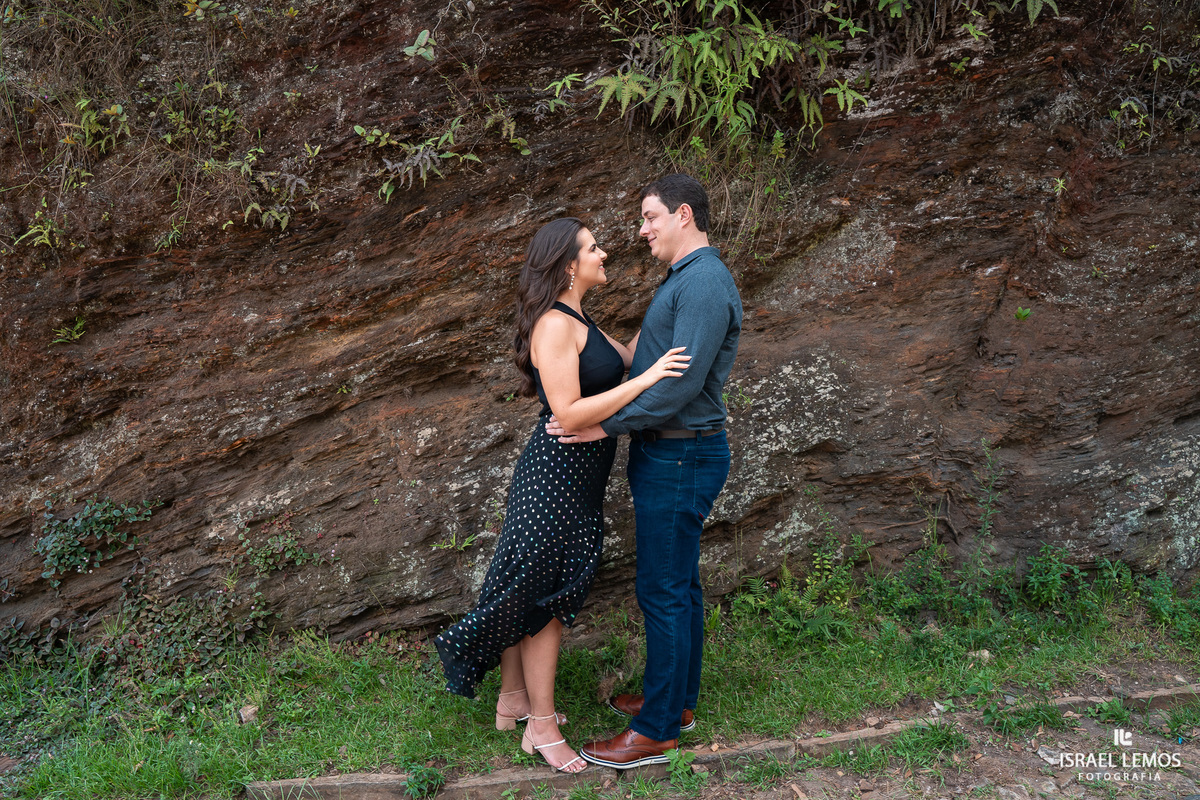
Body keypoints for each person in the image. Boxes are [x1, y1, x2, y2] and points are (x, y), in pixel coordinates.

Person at [434, 217, 691, 774]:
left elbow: (625, 358)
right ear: (569, 264)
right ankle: (541, 728)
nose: (605, 253)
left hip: (574, 480)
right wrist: (647, 383)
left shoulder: (578, 319)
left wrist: (669, 294)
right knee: (545, 602)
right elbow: (569, 412)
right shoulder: (553, 325)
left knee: (525, 585)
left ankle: (512, 702)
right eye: (594, 247)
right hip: (554, 478)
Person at [548, 174, 742, 769]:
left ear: (684, 215)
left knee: (662, 589)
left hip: (681, 452)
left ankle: (655, 730)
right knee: (677, 586)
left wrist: (604, 426)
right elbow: (650, 360)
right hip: (672, 451)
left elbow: (679, 384)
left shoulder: (705, 281)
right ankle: (676, 701)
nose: (642, 230)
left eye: (650, 217)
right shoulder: (685, 279)